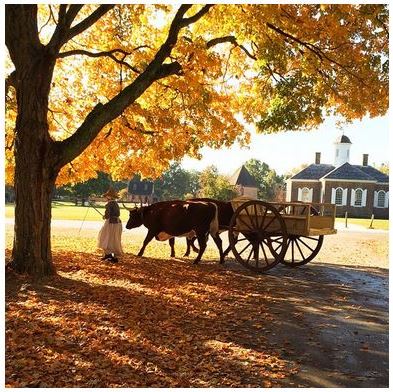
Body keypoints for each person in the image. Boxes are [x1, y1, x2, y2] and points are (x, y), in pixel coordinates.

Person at [97, 187, 123, 263]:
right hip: (117, 223)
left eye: (107, 196)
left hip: (111, 223)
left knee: (105, 237)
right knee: (114, 239)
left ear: (110, 196)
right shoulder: (116, 203)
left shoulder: (109, 204)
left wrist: (104, 216)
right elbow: (117, 214)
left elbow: (107, 215)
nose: (106, 197)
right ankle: (113, 256)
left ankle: (108, 254)